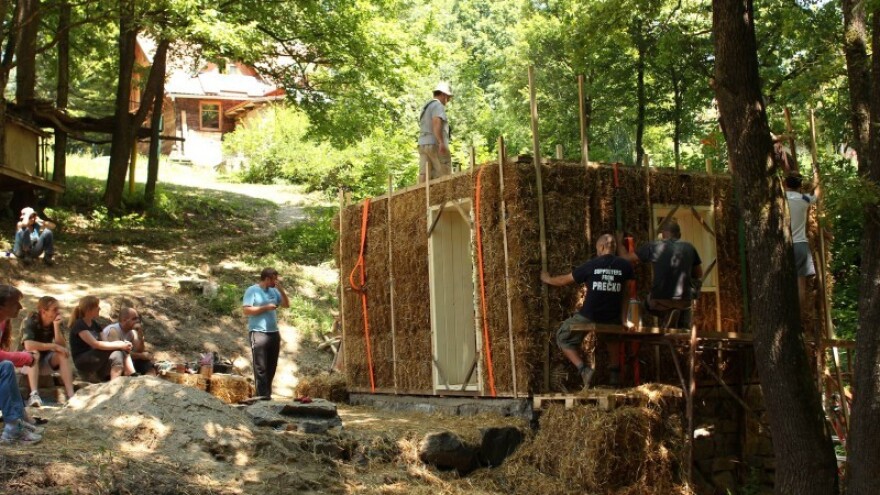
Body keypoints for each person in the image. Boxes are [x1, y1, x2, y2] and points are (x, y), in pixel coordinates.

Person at [541, 234, 634, 389]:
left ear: (602, 247)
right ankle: (615, 374)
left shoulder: (592, 265)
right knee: (612, 337)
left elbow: (564, 280)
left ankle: (583, 369)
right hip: (612, 316)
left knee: (562, 336)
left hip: (589, 315)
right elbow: (626, 294)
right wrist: (624, 319)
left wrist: (548, 279)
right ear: (614, 248)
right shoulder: (625, 266)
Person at [619, 219, 703, 329]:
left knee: (646, 305)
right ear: (679, 235)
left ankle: (666, 315)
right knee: (685, 308)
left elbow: (625, 258)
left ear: (663, 234)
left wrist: (619, 242)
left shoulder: (654, 246)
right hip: (684, 300)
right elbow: (698, 274)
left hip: (660, 300)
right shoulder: (690, 247)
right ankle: (680, 323)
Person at [19, 296, 76, 406]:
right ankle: (34, 395)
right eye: (54, 309)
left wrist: (56, 327)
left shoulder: (56, 322)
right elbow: (29, 345)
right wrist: (53, 346)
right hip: (25, 363)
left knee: (62, 355)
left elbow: (62, 346)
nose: (58, 312)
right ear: (43, 311)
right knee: (34, 353)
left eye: (58, 309)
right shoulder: (29, 321)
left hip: (44, 360)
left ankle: (71, 395)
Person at [243, 268, 289, 400]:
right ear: (267, 279)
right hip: (258, 332)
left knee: (271, 366)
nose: (276, 282)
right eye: (274, 279)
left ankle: (267, 395)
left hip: (273, 333)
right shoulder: (252, 290)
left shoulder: (274, 291)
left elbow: (286, 305)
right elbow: (246, 310)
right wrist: (266, 308)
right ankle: (262, 397)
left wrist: (281, 290)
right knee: (261, 367)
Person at [68, 296, 136, 382]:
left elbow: (106, 342)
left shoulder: (95, 324)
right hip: (83, 360)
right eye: (97, 306)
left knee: (118, 352)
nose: (99, 308)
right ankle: (130, 372)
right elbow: (95, 344)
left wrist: (122, 344)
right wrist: (119, 344)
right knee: (118, 347)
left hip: (97, 359)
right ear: (89, 309)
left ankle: (115, 382)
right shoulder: (79, 324)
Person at [784, 173, 818, 309]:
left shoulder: (779, 198)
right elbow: (817, 194)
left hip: (782, 246)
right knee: (800, 285)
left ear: (785, 184)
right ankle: (799, 317)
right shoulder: (804, 199)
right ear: (800, 186)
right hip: (800, 245)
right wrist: (817, 178)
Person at [102, 307, 156, 376]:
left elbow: (139, 350)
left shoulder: (132, 332)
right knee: (127, 355)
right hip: (110, 365)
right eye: (134, 319)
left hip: (126, 361)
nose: (137, 321)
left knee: (147, 364)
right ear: (124, 320)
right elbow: (119, 353)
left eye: (138, 318)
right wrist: (141, 356)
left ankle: (150, 379)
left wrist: (141, 337)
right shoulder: (113, 330)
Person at [417, 82, 454, 183]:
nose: (448, 100)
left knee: (424, 176)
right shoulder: (438, 105)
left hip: (423, 145)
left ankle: (423, 193)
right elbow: (436, 122)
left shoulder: (425, 108)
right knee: (445, 175)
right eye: (448, 98)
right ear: (443, 94)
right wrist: (441, 142)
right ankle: (446, 192)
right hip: (435, 144)